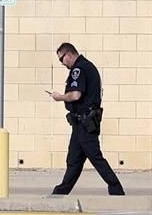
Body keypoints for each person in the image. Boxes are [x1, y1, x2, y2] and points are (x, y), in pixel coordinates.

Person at [47, 43, 124, 196]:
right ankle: (60, 193)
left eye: (62, 59)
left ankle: (116, 189)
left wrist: (59, 97)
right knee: (74, 160)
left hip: (85, 123)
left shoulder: (79, 69)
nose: (62, 63)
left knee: (95, 157)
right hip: (81, 123)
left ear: (68, 54)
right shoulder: (87, 66)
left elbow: (76, 95)